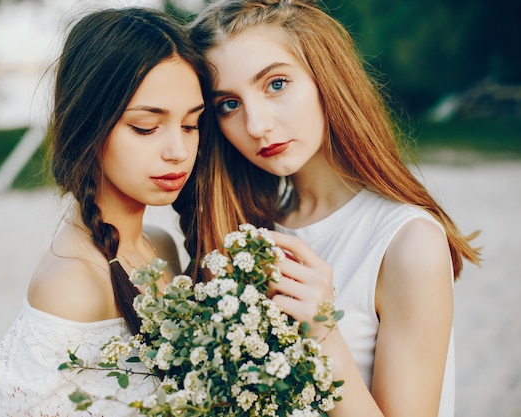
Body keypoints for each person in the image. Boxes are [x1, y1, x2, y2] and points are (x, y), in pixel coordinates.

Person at [174, 1, 481, 416]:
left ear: (326, 77)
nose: (256, 125)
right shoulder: (248, 231)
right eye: (228, 104)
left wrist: (321, 333)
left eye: (276, 84)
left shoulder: (408, 243)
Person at [0, 7, 210, 416]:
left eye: (191, 125)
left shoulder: (160, 246)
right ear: (88, 123)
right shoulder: (73, 284)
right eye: (145, 127)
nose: (178, 151)